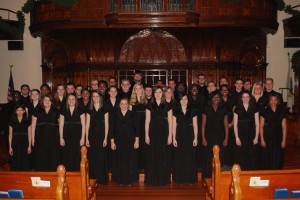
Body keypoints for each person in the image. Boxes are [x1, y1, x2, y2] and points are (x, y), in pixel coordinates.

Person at [145, 87, 173, 186]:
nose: (158, 94)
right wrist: (146, 135)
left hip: (164, 130)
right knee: (152, 154)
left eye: (160, 92)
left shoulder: (167, 105)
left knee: (163, 154)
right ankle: (152, 178)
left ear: (163, 93)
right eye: (156, 92)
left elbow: (170, 121)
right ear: (153, 93)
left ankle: (163, 179)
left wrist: (170, 136)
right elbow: (147, 121)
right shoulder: (149, 104)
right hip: (152, 130)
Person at [111, 98, 139, 185]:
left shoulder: (133, 114)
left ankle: (129, 180)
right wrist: (112, 142)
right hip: (118, 140)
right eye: (122, 104)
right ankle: (120, 180)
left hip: (130, 140)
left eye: (125, 103)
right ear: (119, 105)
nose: (123, 105)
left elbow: (137, 128)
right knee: (119, 160)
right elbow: (112, 129)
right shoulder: (115, 114)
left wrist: (137, 140)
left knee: (129, 160)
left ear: (128, 105)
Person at [201, 91, 228, 179]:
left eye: (218, 97)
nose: (216, 99)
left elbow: (226, 125)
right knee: (208, 155)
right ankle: (208, 176)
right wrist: (203, 138)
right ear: (211, 99)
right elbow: (203, 124)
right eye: (214, 97)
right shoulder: (206, 108)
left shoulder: (224, 109)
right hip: (209, 134)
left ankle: (219, 176)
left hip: (220, 134)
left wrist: (226, 138)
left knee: (220, 155)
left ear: (220, 99)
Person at [172, 95, 198, 184]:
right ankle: (180, 179)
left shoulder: (193, 111)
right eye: (182, 99)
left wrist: (195, 138)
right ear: (179, 101)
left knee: (189, 156)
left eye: (185, 99)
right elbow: (174, 125)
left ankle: (190, 178)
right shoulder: (175, 111)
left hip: (190, 135)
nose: (183, 100)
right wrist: (174, 138)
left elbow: (195, 125)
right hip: (179, 135)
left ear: (188, 100)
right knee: (180, 157)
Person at [31, 95, 59, 171]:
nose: (47, 102)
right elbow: (33, 126)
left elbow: (60, 125)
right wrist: (32, 138)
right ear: (42, 101)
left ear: (52, 102)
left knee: (52, 155)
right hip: (40, 137)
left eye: (49, 100)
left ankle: (52, 172)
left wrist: (60, 137)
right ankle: (41, 172)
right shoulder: (37, 110)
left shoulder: (56, 111)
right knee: (41, 155)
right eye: (45, 100)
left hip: (53, 137)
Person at [86, 91, 109, 184]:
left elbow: (107, 125)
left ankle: (101, 179)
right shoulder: (89, 110)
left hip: (101, 135)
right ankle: (93, 178)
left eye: (97, 96)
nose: (95, 98)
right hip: (92, 135)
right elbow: (87, 125)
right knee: (92, 157)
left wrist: (105, 138)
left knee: (101, 157)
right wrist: (86, 138)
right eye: (94, 96)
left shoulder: (105, 109)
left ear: (100, 97)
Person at [233, 91, 259, 170]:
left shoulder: (254, 108)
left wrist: (256, 137)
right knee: (241, 154)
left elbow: (257, 124)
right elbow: (235, 124)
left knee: (251, 154)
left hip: (251, 134)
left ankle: (250, 172)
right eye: (243, 97)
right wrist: (237, 138)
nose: (245, 98)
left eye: (247, 97)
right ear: (241, 98)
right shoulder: (237, 108)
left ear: (250, 98)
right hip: (240, 134)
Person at [59, 94, 85, 171]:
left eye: (73, 99)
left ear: (76, 100)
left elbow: (83, 125)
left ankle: (77, 173)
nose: (71, 101)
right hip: (66, 135)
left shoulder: (80, 109)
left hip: (77, 135)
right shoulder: (63, 110)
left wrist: (82, 138)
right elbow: (61, 125)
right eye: (69, 99)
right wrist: (61, 137)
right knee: (66, 155)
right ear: (67, 101)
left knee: (77, 155)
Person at [260, 94, 286, 170]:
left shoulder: (281, 111)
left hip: (278, 136)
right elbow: (261, 127)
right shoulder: (264, 111)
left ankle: (277, 172)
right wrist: (262, 139)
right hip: (267, 136)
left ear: (278, 101)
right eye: (271, 100)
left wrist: (284, 140)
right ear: (269, 101)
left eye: (275, 100)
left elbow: (284, 127)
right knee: (267, 156)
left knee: (278, 155)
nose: (273, 102)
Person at [129, 83, 147, 170]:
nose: (138, 90)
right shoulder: (131, 103)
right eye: (136, 88)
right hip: (134, 127)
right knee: (135, 146)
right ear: (134, 90)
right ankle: (135, 166)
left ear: (142, 90)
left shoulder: (147, 101)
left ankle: (143, 166)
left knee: (144, 146)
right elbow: (129, 117)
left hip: (144, 127)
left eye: (140, 88)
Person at [188, 84, 206, 169]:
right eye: (192, 88)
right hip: (189, 123)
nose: (194, 90)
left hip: (200, 122)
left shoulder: (202, 98)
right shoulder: (186, 98)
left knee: (199, 143)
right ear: (190, 90)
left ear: (198, 90)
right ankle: (191, 163)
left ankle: (199, 164)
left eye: (196, 89)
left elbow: (205, 111)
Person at [8, 105, 31, 171]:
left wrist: (29, 146)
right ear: (15, 111)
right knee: (16, 159)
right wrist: (10, 147)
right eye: (18, 110)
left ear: (24, 111)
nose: (19, 112)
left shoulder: (27, 121)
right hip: (15, 142)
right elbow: (10, 135)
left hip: (25, 142)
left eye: (21, 110)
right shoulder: (12, 120)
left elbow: (29, 134)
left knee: (25, 159)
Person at [105, 86, 120, 171]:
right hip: (108, 125)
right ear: (109, 92)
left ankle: (117, 166)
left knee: (117, 145)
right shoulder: (105, 102)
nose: (113, 93)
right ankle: (110, 166)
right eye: (112, 91)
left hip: (118, 126)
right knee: (109, 145)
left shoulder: (120, 102)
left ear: (117, 93)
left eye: (115, 91)